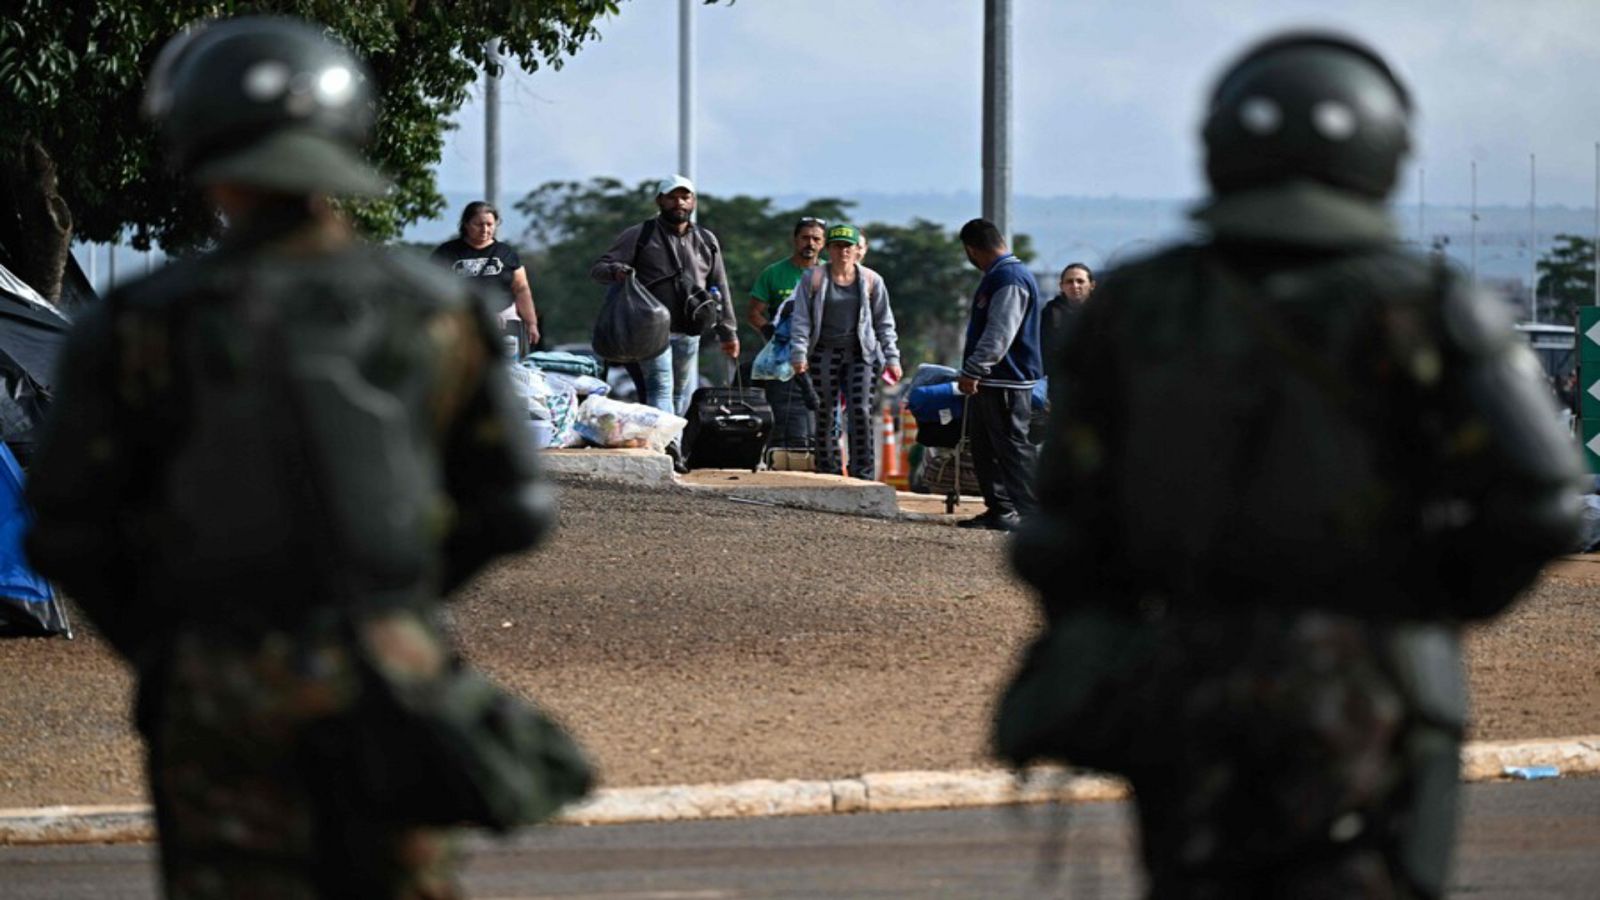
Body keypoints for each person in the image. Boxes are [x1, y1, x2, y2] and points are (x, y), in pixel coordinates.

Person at [1001, 31, 1585, 899]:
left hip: (1185, 674)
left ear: (1224, 146)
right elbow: (1542, 500)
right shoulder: (1429, 306)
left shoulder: (1139, 305)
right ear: (1381, 149)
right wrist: (1434, 598)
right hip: (1382, 676)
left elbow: (1058, 527)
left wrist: (1116, 622)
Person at [24, 16, 560, 897]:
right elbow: (514, 509)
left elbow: (66, 528)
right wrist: (394, 611)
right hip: (397, 684)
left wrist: (170, 647)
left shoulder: (139, 322)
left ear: (195, 140)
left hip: (216, 689)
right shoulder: (430, 308)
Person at [589, 175, 738, 432]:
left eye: (685, 197)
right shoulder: (640, 234)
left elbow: (719, 285)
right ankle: (666, 451)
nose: (679, 202)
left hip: (690, 329)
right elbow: (598, 269)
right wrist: (617, 270)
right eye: (672, 197)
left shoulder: (706, 239)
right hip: (651, 329)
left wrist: (728, 331)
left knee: (680, 393)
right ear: (660, 200)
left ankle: (670, 444)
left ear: (693, 201)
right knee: (660, 387)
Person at [788, 223, 902, 480]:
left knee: (860, 409)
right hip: (824, 352)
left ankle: (862, 471)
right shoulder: (814, 278)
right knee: (825, 411)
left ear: (856, 249)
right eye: (837, 246)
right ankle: (829, 469)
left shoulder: (871, 280)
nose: (843, 252)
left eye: (848, 246)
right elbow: (801, 319)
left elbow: (884, 322)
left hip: (861, 354)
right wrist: (799, 353)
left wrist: (892, 358)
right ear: (828, 249)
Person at [954, 218, 1043, 531]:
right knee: (986, 448)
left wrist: (974, 369)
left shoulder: (1009, 277)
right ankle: (1001, 510)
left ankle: (1033, 515)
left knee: (1012, 447)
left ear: (971, 249)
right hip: (993, 380)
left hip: (1006, 379)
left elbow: (1000, 332)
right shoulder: (1000, 274)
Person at [750, 217, 828, 458]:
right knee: (783, 410)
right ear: (795, 240)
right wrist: (770, 332)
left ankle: (822, 458)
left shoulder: (830, 273)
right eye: (805, 237)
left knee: (822, 409)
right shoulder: (774, 273)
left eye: (816, 239)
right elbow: (754, 313)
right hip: (783, 358)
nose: (810, 243)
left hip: (821, 355)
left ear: (823, 243)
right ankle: (779, 457)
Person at [431, 200, 541, 352]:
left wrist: (531, 323)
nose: (485, 229)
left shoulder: (506, 253)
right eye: (478, 224)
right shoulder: (446, 252)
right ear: (466, 224)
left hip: (504, 323)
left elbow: (521, 288)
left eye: (490, 224)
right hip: (461, 323)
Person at [1041, 262, 1093, 358]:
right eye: (1069, 281)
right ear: (1061, 286)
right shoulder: (1051, 312)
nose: (1075, 286)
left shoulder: (1104, 312)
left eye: (1080, 281)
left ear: (1092, 285)